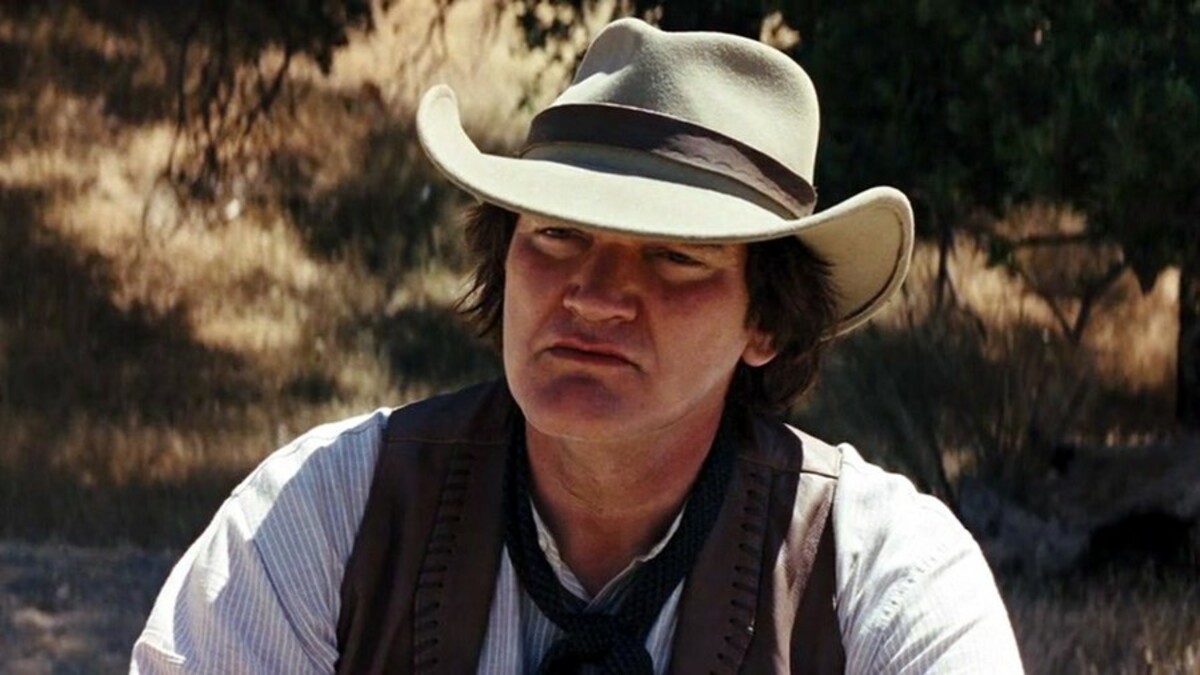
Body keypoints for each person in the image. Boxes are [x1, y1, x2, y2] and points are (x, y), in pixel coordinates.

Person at [132, 18, 1023, 674]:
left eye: (675, 257)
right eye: (556, 235)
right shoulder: (329, 514)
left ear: (767, 323)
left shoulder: (880, 576)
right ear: (504, 260)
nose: (593, 295)